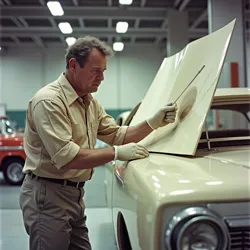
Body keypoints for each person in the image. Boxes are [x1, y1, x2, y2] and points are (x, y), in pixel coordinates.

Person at [19, 36, 177, 250]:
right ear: (74, 65)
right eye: (96, 70)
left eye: (103, 71)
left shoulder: (88, 102)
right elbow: (68, 157)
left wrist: (152, 123)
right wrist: (116, 153)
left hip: (74, 195)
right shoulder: (49, 101)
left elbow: (117, 135)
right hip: (48, 195)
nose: (101, 78)